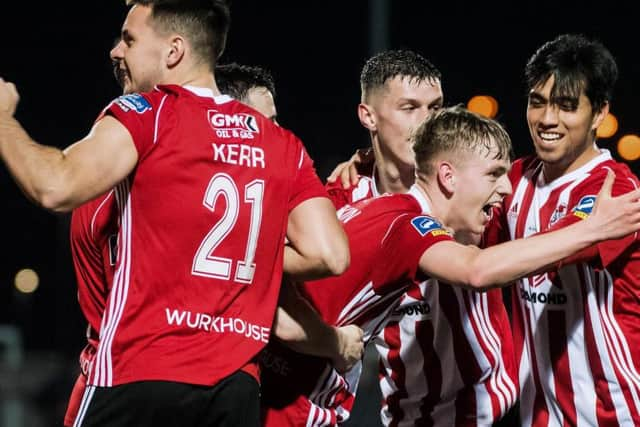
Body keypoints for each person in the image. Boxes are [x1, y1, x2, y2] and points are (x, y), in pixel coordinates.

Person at [0, 1, 351, 426]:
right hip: (235, 389)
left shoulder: (147, 114)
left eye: (129, 40)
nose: (116, 51)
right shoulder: (281, 143)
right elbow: (330, 254)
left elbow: (54, 186)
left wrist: (2, 119)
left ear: (173, 51)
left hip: (139, 372)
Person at [259, 105, 640, 427]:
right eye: (493, 174)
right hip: (288, 402)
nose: (505, 188)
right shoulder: (407, 224)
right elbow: (477, 271)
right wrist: (592, 229)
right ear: (447, 176)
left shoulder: (379, 211)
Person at [62, 56, 362, 426]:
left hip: (109, 376)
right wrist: (338, 343)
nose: (274, 132)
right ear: (227, 117)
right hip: (198, 383)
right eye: (266, 121)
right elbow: (309, 283)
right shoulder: (203, 202)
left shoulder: (99, 189)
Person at [327, 49, 517, 426]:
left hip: (490, 410)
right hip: (406, 414)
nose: (426, 121)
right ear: (368, 116)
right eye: (409, 107)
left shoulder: (470, 183)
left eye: (435, 107)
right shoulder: (341, 202)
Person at [490, 33, 640, 426]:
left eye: (567, 106)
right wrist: (370, 164)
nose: (547, 119)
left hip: (611, 411)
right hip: (533, 413)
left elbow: (557, 252)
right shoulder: (515, 178)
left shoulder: (616, 189)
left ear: (600, 113)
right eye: (537, 103)